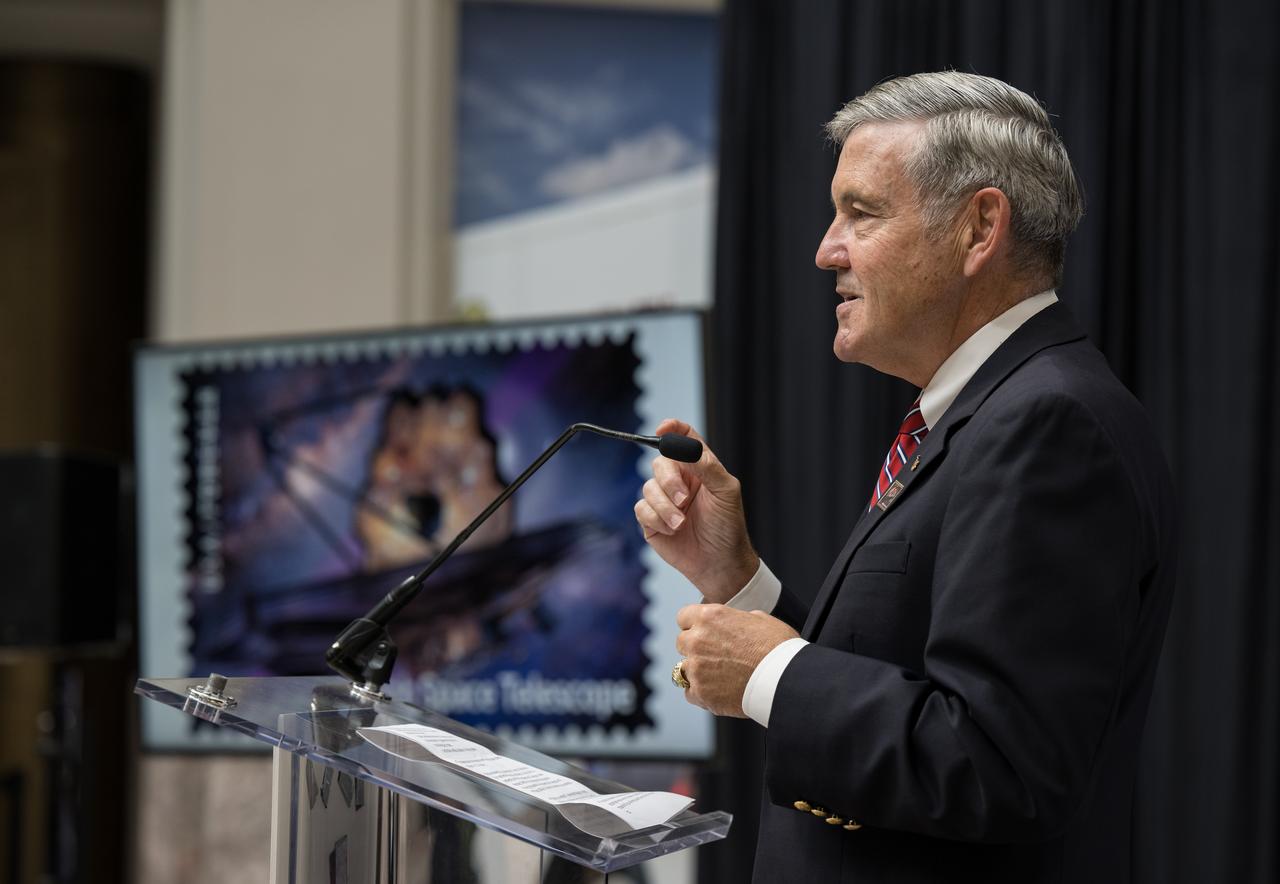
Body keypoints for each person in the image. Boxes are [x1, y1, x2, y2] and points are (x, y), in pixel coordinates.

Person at [634, 71, 1177, 883]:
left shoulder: (1049, 424)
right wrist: (736, 579)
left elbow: (1001, 763)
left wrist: (773, 673)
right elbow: (900, 675)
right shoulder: (985, 411)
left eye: (861, 211)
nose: (826, 249)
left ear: (978, 228)